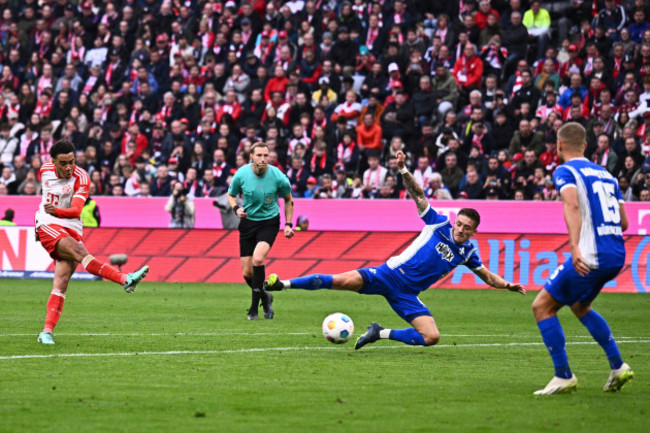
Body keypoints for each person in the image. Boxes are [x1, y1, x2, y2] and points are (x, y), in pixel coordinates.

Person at [264, 150, 526, 350]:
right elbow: (419, 195)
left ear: (473, 232)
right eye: (459, 223)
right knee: (338, 280)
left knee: (432, 337)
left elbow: (489, 277)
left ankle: (380, 333)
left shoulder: (467, 253)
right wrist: (403, 170)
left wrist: (507, 285)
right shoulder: (438, 223)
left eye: (466, 228)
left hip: (408, 294)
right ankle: (282, 284)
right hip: (387, 274)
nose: (460, 229)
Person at [531, 122, 634, 395]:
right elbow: (623, 222)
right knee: (579, 305)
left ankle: (563, 375)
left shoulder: (565, 170)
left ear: (559, 145)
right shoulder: (608, 175)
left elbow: (572, 204)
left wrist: (575, 246)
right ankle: (618, 366)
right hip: (616, 254)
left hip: (591, 255)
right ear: (586, 145)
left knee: (542, 307)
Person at [34, 140, 149, 345]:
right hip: (47, 223)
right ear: (53, 162)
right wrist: (52, 212)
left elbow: (77, 211)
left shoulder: (82, 177)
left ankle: (46, 332)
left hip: (71, 224)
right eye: (63, 163)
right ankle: (125, 279)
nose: (69, 167)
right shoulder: (44, 170)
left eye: (71, 161)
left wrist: (58, 210)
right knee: (79, 251)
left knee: (61, 283)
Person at [227, 142, 294, 321]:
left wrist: (288, 224)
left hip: (269, 222)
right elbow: (231, 194)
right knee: (247, 273)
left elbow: (288, 200)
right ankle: (266, 297)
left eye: (266, 155)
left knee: (258, 259)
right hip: (248, 222)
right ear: (252, 157)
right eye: (259, 155)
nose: (263, 159)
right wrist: (236, 209)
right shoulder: (241, 174)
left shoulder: (278, 176)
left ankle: (254, 310)